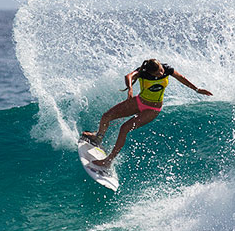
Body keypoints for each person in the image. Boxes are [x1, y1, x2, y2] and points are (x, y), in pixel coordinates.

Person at [81, 58, 212, 167]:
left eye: (161, 70)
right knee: (106, 116)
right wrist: (130, 89)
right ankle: (98, 138)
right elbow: (129, 76)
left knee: (124, 128)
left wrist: (197, 89)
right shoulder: (143, 72)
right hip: (139, 101)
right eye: (157, 73)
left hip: (152, 109)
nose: (161, 73)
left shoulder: (167, 69)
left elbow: (181, 78)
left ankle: (108, 161)